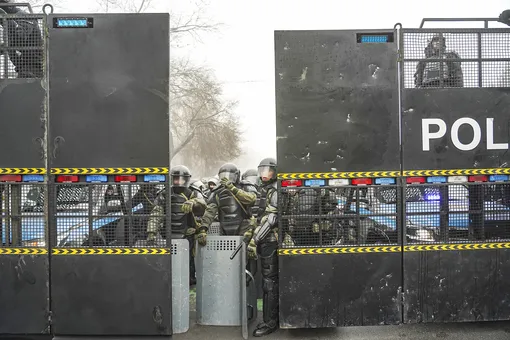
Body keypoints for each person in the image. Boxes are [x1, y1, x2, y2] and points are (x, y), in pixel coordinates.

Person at [146, 165, 206, 285]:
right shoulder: (164, 194)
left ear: (187, 179)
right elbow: (156, 214)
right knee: (168, 261)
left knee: (188, 261)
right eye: (176, 179)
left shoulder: (194, 193)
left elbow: (204, 206)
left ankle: (189, 280)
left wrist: (194, 203)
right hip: (168, 234)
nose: (179, 182)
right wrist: (151, 233)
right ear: (172, 179)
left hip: (188, 233)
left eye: (182, 179)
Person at [246, 158, 279, 337]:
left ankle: (270, 322)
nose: (264, 174)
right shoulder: (263, 189)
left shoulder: (275, 190)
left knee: (269, 282)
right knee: (268, 281)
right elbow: (257, 216)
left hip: (271, 241)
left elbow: (271, 219)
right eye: (262, 170)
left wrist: (254, 240)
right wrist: (249, 235)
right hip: (263, 241)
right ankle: (271, 318)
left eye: (269, 170)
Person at [197, 163, 258, 242]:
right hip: (224, 226)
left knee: (245, 251)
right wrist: (203, 229)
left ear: (237, 175)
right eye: (223, 176)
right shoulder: (217, 191)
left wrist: (233, 189)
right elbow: (210, 211)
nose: (227, 178)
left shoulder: (245, 186)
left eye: (230, 176)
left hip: (244, 226)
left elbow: (251, 199)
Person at [0, 1, 43, 78]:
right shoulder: (13, 20)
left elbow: (19, 39)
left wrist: (7, 23)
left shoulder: (24, 16)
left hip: (33, 65)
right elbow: (11, 43)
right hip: (25, 66)